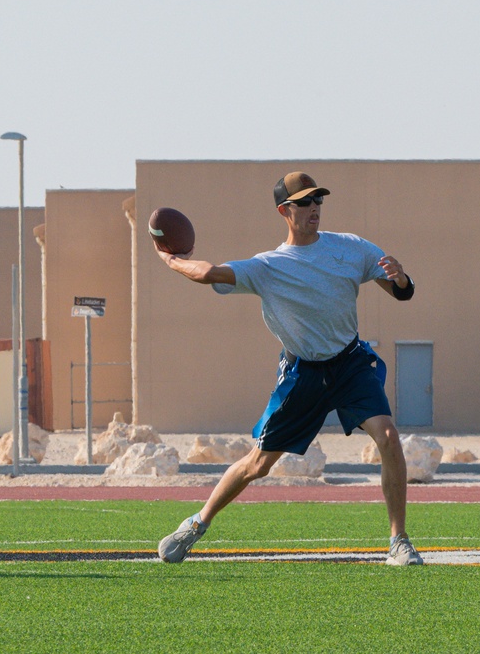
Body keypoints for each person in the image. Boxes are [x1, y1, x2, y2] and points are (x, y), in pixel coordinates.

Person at [156, 171, 423, 566]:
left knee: (387, 435)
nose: (314, 208)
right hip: (304, 374)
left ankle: (399, 541)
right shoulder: (268, 266)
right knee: (258, 464)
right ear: (285, 210)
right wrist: (172, 259)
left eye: (318, 200)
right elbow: (208, 273)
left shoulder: (350, 248)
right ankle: (195, 524)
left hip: (350, 362)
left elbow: (400, 291)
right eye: (304, 202)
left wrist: (401, 279)